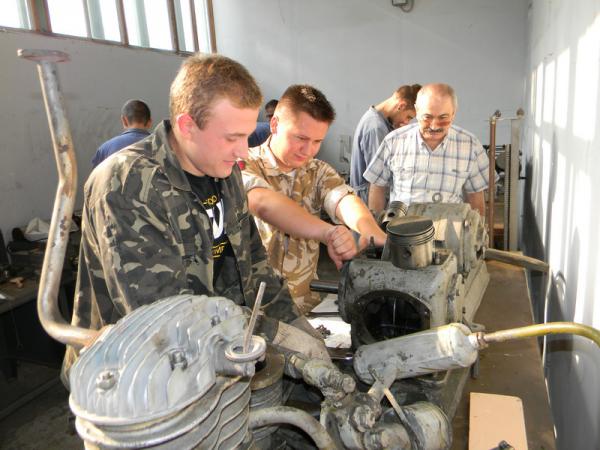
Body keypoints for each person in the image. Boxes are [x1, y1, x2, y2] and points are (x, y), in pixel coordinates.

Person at [63, 55, 325, 382]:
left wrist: (294, 324)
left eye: (246, 136)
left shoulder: (224, 172)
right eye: (232, 137)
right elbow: (163, 317)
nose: (243, 151)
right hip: (132, 379)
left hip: (214, 355)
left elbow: (255, 267)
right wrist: (273, 333)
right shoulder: (127, 184)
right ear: (188, 126)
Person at [242, 85, 387, 314]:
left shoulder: (317, 171)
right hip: (253, 308)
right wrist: (328, 233)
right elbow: (263, 203)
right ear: (275, 124)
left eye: (317, 141)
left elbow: (343, 199)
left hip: (304, 304)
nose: (308, 150)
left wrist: (370, 232)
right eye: (301, 137)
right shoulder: (243, 164)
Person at [364, 83, 491, 217]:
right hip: (401, 228)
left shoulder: (470, 145)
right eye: (427, 117)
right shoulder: (393, 141)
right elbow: (377, 187)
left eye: (443, 117)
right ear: (417, 111)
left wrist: (477, 229)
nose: (434, 126)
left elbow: (476, 196)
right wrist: (375, 224)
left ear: (453, 114)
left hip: (449, 229)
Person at [350, 84, 421, 203]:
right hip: (370, 202)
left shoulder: (377, 121)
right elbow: (379, 179)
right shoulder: (376, 128)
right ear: (401, 105)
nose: (406, 122)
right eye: (408, 117)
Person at [91, 99, 152, 167]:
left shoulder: (105, 150)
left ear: (124, 121)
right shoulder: (160, 146)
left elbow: (97, 173)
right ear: (149, 122)